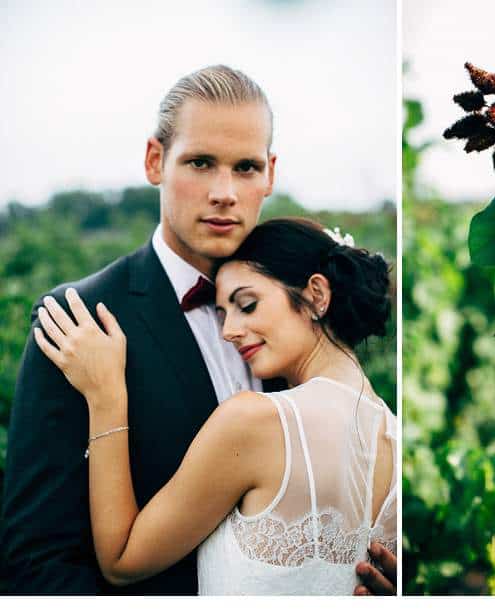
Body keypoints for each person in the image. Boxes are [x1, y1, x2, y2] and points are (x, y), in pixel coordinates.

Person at [0, 65, 396, 595]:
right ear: (155, 160)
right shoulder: (82, 319)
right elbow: (36, 562)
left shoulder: (299, 316)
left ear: (271, 174)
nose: (224, 192)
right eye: (201, 163)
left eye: (247, 167)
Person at [33, 218, 397, 595]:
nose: (228, 331)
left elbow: (122, 561)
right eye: (222, 314)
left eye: (247, 305)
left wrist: (106, 396)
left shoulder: (254, 420)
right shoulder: (395, 436)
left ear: (317, 295)